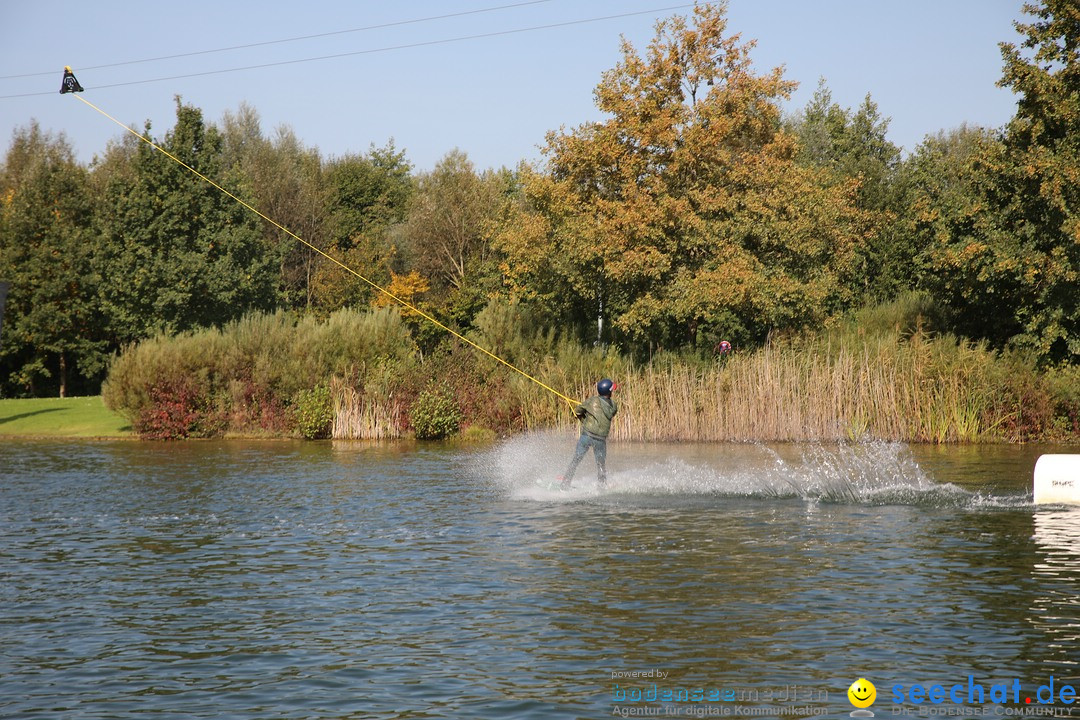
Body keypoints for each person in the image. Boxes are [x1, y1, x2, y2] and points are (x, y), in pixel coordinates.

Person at [558, 378, 618, 489]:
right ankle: (602, 486)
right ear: (609, 392)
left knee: (576, 460)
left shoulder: (592, 401)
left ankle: (565, 483)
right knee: (601, 465)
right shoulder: (614, 406)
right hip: (600, 439)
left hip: (587, 435)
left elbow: (577, 411)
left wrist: (583, 418)